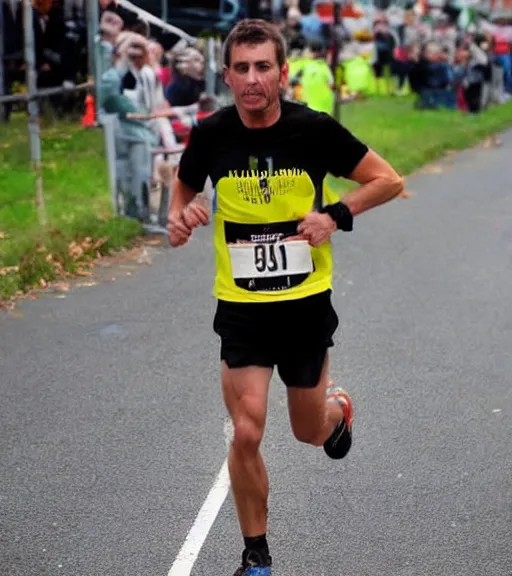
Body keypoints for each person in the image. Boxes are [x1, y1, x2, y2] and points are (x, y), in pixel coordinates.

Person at [167, 19, 404, 576]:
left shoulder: (312, 130)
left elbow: (388, 180)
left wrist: (334, 216)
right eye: (242, 68)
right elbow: (181, 194)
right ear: (226, 75)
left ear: (282, 72)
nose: (253, 79)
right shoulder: (210, 134)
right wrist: (179, 218)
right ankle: (256, 557)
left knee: (306, 430)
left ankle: (336, 413)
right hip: (242, 309)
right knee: (246, 431)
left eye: (263, 67)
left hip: (303, 305)